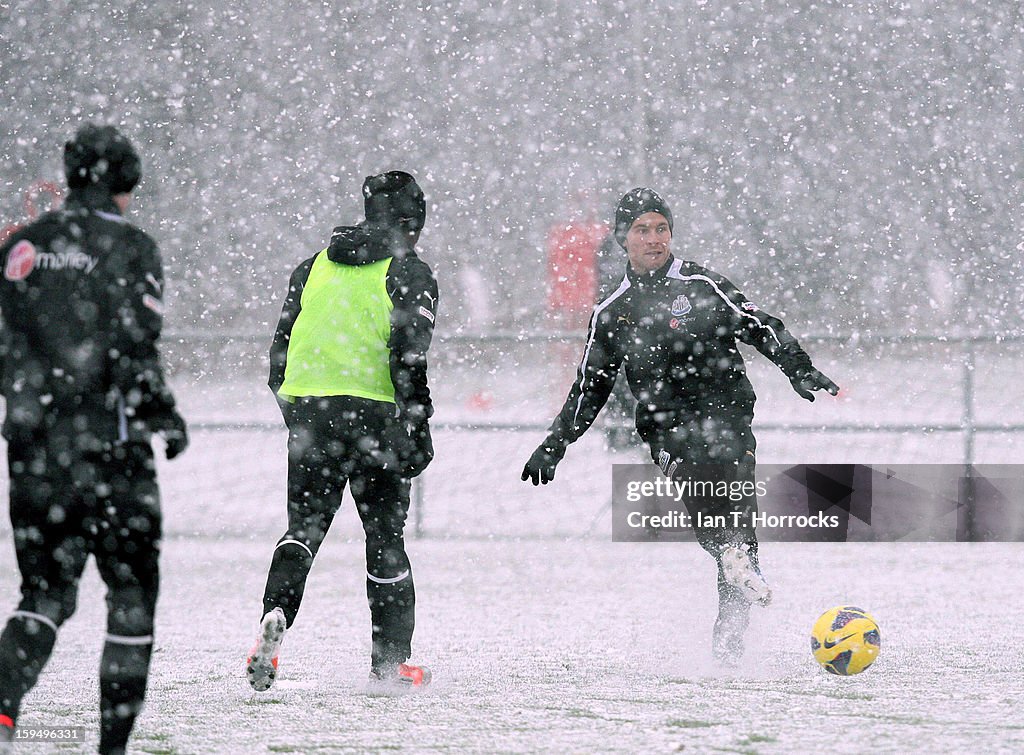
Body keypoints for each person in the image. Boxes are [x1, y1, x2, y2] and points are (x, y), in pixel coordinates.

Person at [521, 188, 838, 663]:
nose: (654, 239)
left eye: (661, 228)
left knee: (739, 517)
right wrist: (555, 443)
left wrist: (797, 366)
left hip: (727, 415)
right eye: (642, 230)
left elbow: (757, 322)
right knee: (711, 512)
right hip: (668, 431)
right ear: (620, 239)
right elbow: (590, 386)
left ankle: (730, 642)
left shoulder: (701, 285)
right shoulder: (613, 313)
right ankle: (730, 569)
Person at [0, 124, 188, 754]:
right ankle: (111, 749)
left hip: (34, 456)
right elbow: (136, 346)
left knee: (45, 595)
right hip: (112, 451)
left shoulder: (21, 247)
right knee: (131, 599)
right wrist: (163, 415)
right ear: (126, 182)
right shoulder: (132, 247)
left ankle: (2, 706)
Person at [247, 171, 437, 692]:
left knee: (303, 529)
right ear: (410, 222)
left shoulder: (312, 267)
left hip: (311, 412)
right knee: (385, 541)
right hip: (376, 418)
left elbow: (277, 358)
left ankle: (274, 615)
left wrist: (302, 416)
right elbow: (409, 354)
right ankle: (390, 665)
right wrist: (417, 426)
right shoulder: (410, 272)